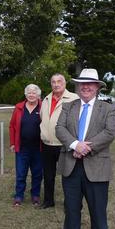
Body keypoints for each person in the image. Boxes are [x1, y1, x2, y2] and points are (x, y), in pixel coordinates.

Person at [54, 68, 115, 229]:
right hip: (71, 165)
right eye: (82, 83)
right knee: (71, 208)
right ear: (78, 86)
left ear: (97, 87)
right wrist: (74, 145)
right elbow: (59, 128)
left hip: (96, 168)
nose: (86, 86)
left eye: (90, 83)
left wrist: (85, 148)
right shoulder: (68, 106)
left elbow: (109, 133)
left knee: (98, 209)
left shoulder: (108, 108)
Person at [39, 73, 78, 209]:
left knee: (67, 176)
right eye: (53, 82)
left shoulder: (74, 98)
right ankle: (48, 201)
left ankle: (70, 203)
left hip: (64, 145)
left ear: (65, 83)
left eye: (59, 81)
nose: (56, 84)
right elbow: (43, 118)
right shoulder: (46, 99)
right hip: (47, 144)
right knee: (48, 175)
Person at [9, 84, 43, 207]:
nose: (31, 94)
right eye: (29, 92)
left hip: (38, 148)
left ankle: (35, 195)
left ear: (38, 95)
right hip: (22, 147)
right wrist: (12, 143)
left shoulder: (43, 107)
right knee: (21, 173)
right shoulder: (19, 107)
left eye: (34, 92)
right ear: (25, 94)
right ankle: (19, 196)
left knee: (37, 173)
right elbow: (12, 126)